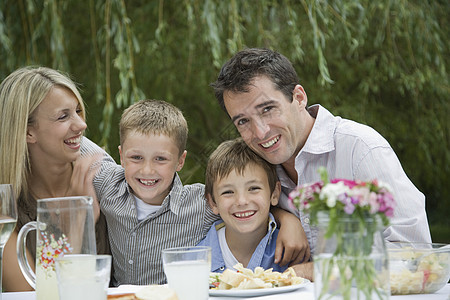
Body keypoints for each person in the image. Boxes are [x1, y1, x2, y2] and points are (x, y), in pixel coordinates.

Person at [211, 47, 432, 279]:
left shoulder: (360, 149)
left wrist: (316, 270)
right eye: (243, 121)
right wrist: (282, 216)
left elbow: (414, 255)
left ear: (298, 97)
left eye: (267, 109)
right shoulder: (255, 164)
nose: (260, 132)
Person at [90, 99, 309, 285]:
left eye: (161, 159)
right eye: (136, 158)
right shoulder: (108, 183)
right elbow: (69, 134)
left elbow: (244, 203)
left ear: (180, 161)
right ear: (120, 156)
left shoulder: (200, 204)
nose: (147, 170)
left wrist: (288, 219)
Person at [0, 66, 113, 292]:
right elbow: (33, 296)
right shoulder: (7, 210)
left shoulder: (102, 178)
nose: (82, 125)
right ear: (27, 132)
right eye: (63, 116)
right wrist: (77, 218)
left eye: (78, 112)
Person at [198, 137, 289, 273]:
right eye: (228, 192)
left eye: (253, 188)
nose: (241, 201)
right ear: (212, 202)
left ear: (274, 194)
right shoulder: (194, 262)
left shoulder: (291, 250)